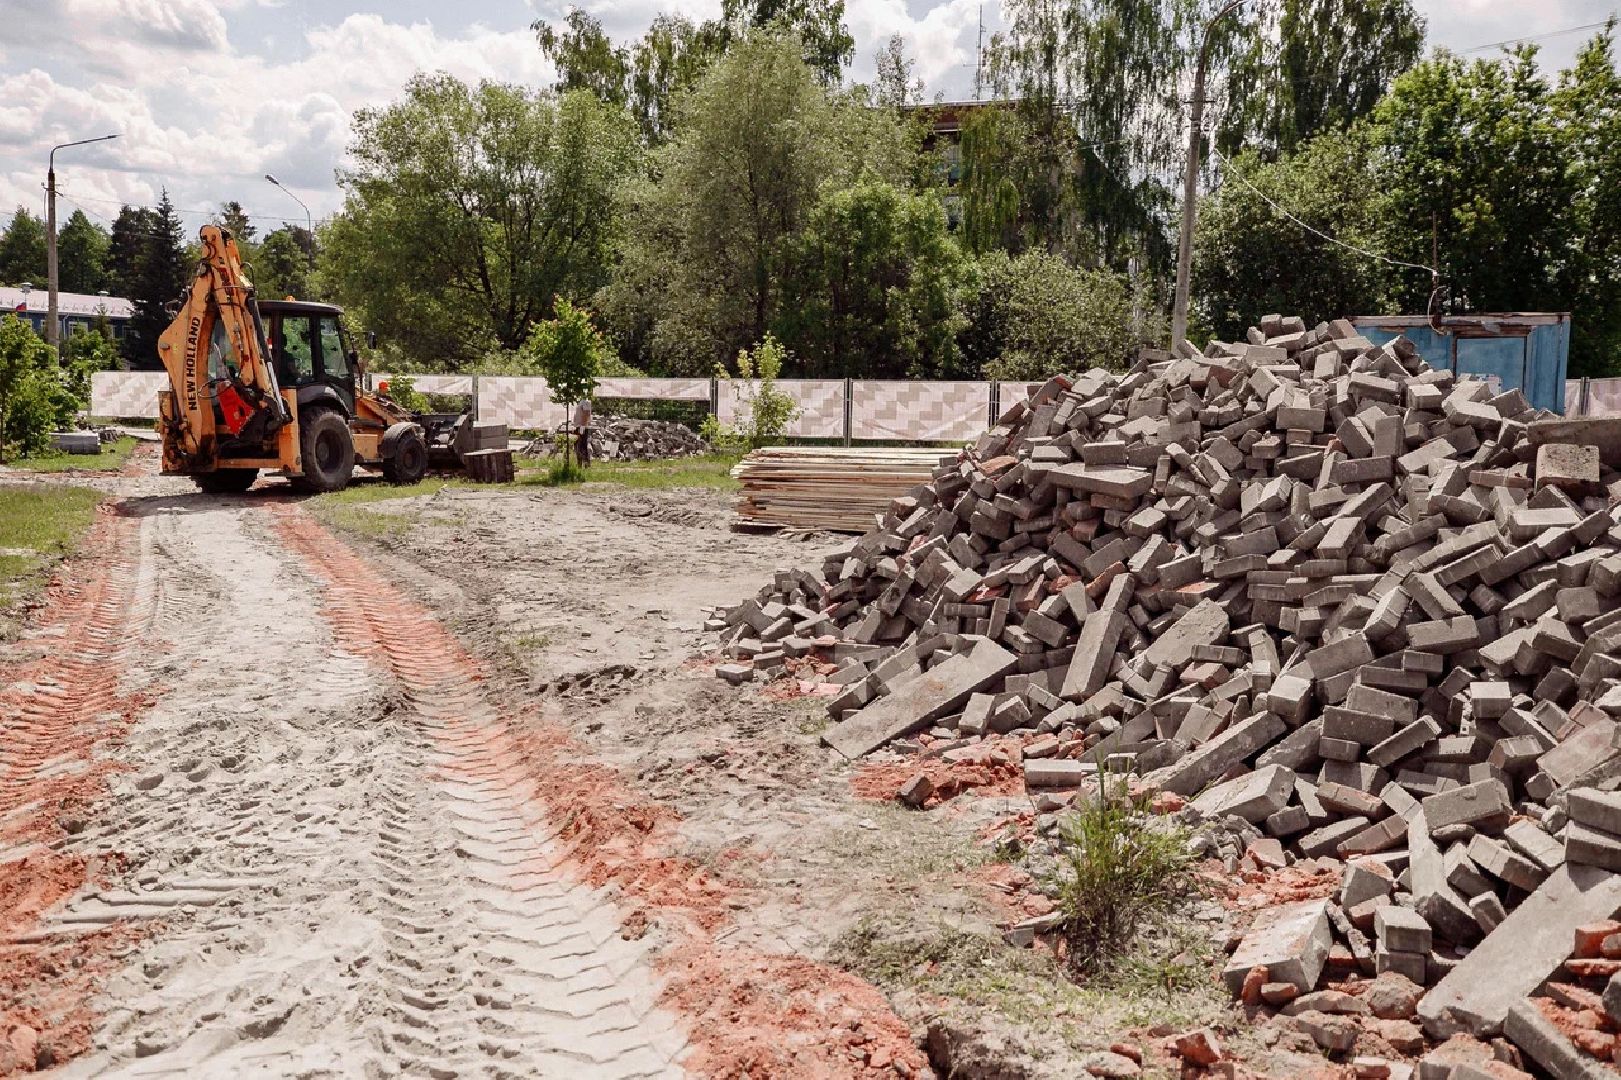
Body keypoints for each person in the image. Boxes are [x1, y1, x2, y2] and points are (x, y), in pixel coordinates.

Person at [572, 397, 593, 467]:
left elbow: (586, 414)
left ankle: (586, 463)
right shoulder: (580, 402)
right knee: (578, 445)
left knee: (583, 445)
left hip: (582, 427)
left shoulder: (586, 402)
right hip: (578, 426)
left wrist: (582, 426)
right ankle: (579, 463)